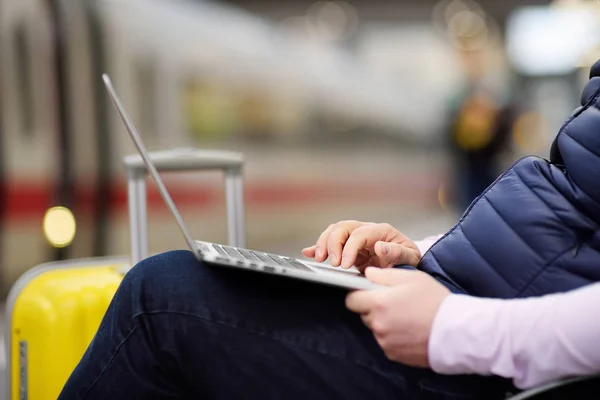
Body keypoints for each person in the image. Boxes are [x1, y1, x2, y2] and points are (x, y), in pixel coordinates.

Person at [58, 63, 600, 399]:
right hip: (475, 309)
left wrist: (452, 328)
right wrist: (416, 254)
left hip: (501, 356)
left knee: (161, 302)